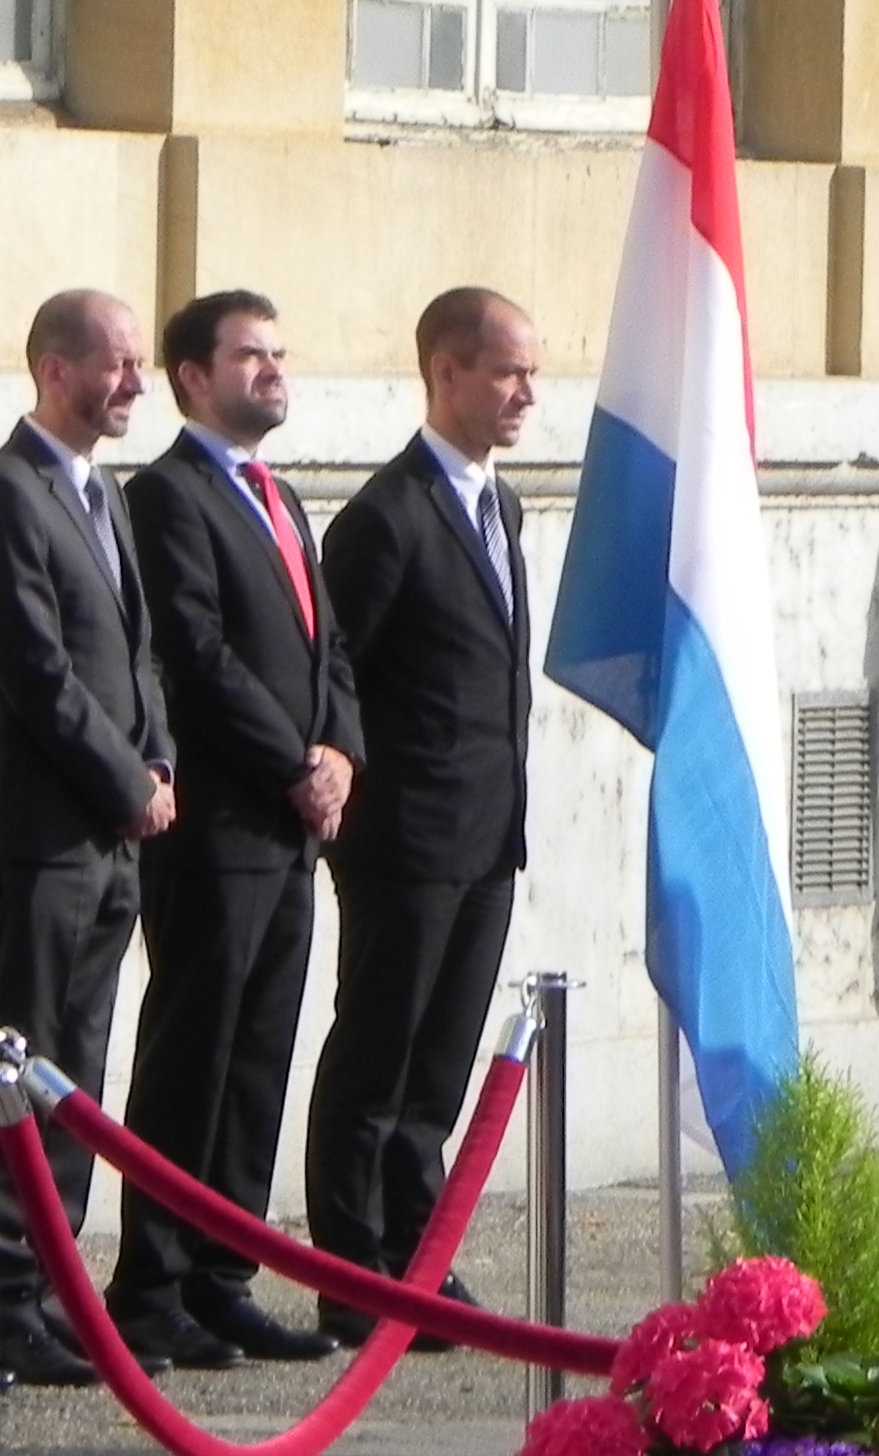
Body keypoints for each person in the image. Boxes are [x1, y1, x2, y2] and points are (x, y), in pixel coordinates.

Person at [113, 289, 362, 1367]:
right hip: (218, 825)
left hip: (294, 828)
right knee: (193, 1056)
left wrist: (342, 751)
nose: (271, 370)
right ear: (192, 378)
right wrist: (290, 764)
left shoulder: (282, 497)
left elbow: (329, 649)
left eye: (278, 351)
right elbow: (199, 656)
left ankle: (225, 1274)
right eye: (247, 355)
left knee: (260, 1060)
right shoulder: (168, 498)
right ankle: (153, 1285)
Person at [304, 288, 537, 1345]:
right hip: (405, 836)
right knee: (378, 1054)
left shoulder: (503, 504)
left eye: (530, 372)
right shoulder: (389, 515)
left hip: (487, 834)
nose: (526, 392)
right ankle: (354, 1272)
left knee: (439, 1068)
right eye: (506, 372)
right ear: (447, 374)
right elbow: (334, 664)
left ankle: (418, 1257)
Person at [0, 291, 175, 1389]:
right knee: (27, 1063)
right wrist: (123, 781)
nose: (135, 385)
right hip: (44, 839)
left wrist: (158, 765)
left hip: (117, 833)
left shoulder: (103, 495)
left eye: (140, 363)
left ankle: (56, 1291)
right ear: (54, 371)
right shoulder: (12, 495)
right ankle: (8, 1294)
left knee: (76, 1074)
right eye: (116, 365)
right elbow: (34, 670)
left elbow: (138, 656)